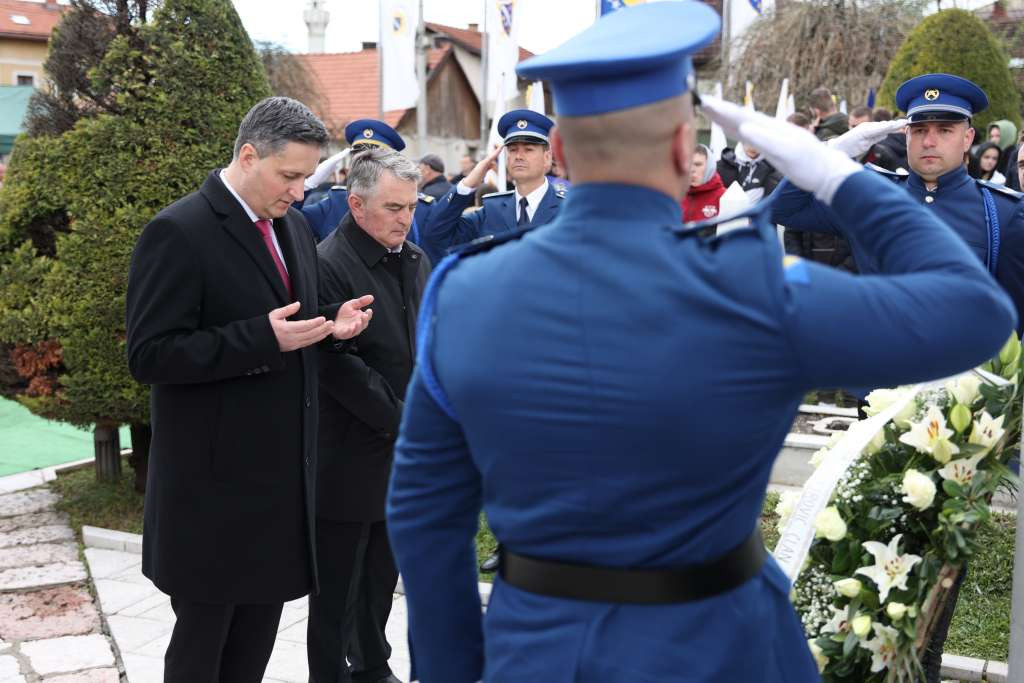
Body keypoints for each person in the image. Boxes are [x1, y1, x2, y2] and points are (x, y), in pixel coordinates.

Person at [385, 4, 1017, 682]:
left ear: (561, 151)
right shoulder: (753, 288)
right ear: (686, 149)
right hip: (723, 648)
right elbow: (976, 311)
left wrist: (454, 669)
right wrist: (839, 177)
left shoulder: (464, 294)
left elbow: (422, 513)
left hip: (536, 648)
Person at [125, 96, 374, 682]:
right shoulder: (178, 231)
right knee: (202, 653)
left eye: (306, 178)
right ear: (247, 155)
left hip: (280, 491)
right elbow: (150, 355)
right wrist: (260, 338)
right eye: (289, 176)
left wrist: (330, 325)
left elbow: (291, 317)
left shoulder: (288, 224)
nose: (300, 192)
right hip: (213, 497)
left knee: (253, 652)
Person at [774, 73, 1024, 338]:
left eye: (944, 130)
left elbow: (1014, 319)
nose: (929, 141)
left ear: (968, 138)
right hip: (875, 368)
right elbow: (784, 209)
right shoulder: (867, 194)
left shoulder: (1002, 211)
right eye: (919, 130)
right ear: (905, 135)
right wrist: (832, 151)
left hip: (960, 371)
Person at [309, 149, 430, 683]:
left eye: (412, 206)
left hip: (403, 453)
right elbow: (338, 367)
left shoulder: (413, 257)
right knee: (336, 588)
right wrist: (407, 421)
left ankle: (372, 668)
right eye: (393, 207)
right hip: (349, 454)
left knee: (383, 575)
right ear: (356, 205)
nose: (405, 218)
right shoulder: (328, 264)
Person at [418, 109, 566, 265]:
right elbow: (436, 234)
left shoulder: (567, 208)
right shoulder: (492, 210)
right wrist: (468, 184)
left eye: (528, 149)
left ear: (547, 157)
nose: (519, 156)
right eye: (513, 149)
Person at [299, 119, 436, 244]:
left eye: (373, 162)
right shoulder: (335, 202)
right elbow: (286, 225)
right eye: (359, 159)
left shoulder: (414, 206)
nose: (364, 167)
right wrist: (305, 185)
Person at [716, 139, 782, 203]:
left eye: (758, 144)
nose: (753, 148)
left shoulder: (770, 168)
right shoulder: (721, 166)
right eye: (749, 142)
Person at [682, 143, 725, 222]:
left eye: (698, 164)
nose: (692, 170)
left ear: (710, 166)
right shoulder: (676, 195)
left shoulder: (724, 197)